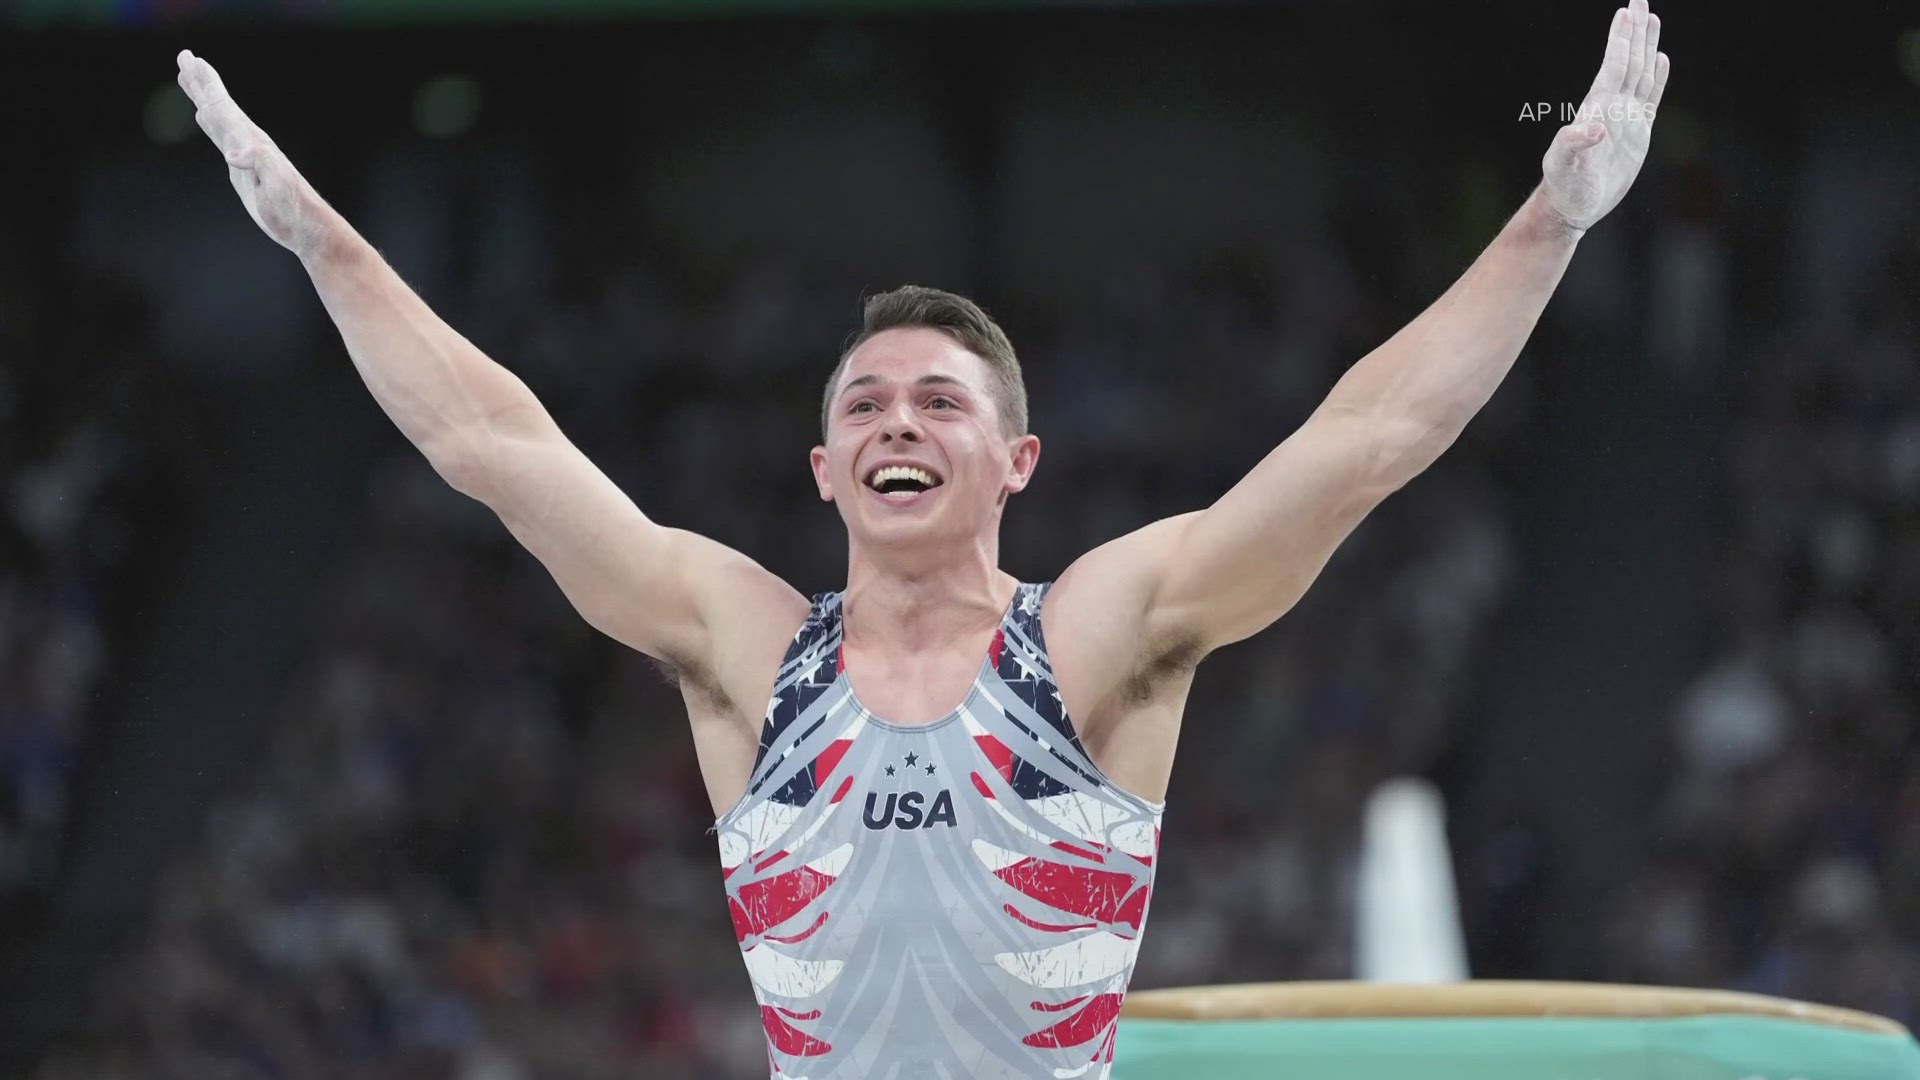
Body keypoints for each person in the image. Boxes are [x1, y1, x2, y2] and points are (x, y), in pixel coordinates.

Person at [174, 3, 1669, 1074]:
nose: (900, 423)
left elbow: (1363, 448)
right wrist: (334, 245)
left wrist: (1551, 222)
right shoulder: (740, 645)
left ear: (1016, 461)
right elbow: (493, 448)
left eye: (939, 402)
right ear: (821, 468)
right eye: (868, 405)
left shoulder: (1097, 635)